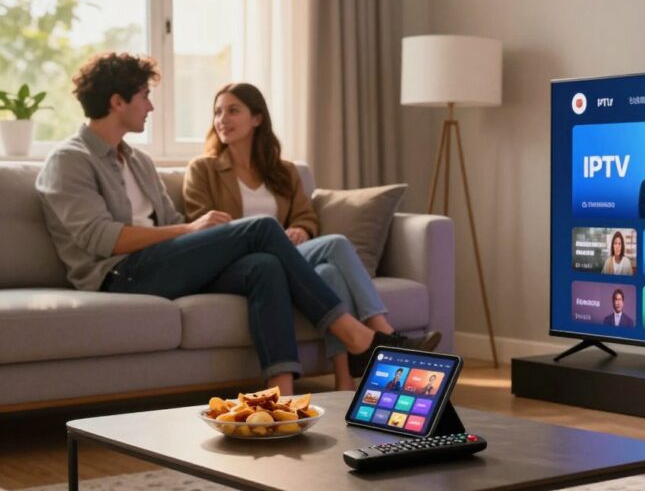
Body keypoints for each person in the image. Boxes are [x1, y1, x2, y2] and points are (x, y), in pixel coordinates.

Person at [34, 53, 434, 396]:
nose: (151, 107)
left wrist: (194, 234)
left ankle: (281, 397)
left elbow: (171, 222)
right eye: (144, 97)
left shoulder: (137, 160)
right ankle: (358, 336)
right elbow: (102, 239)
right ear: (117, 101)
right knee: (260, 228)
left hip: (162, 263)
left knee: (266, 264)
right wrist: (190, 231)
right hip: (118, 274)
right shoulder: (70, 160)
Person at [183, 83, 437, 391]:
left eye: (233, 110)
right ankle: (386, 337)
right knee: (337, 243)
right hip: (236, 262)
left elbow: (305, 214)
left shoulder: (284, 171)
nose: (222, 119)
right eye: (217, 112)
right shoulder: (203, 169)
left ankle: (345, 379)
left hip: (284, 256)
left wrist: (302, 229)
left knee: (329, 271)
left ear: (257, 119)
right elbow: (201, 226)